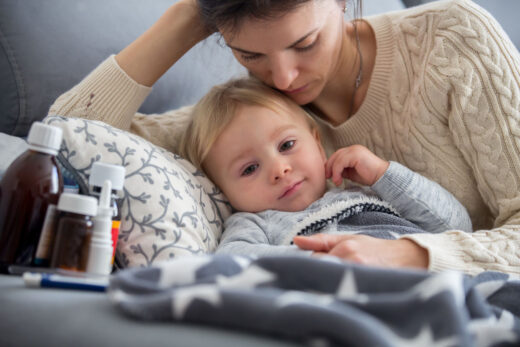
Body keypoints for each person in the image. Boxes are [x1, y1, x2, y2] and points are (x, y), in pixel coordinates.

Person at [49, 0, 520, 278]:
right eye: (249, 53)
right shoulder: (253, 117)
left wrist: (410, 255)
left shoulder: (452, 40)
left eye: (305, 43)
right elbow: (64, 139)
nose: (284, 77)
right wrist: (191, 17)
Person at [178, 77, 472, 263]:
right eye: (250, 168)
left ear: (318, 145)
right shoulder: (255, 224)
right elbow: (232, 265)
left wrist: (385, 174)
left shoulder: (364, 188)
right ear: (222, 191)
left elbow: (457, 226)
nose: (280, 169)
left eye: (287, 145)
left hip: (437, 280)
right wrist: (321, 260)